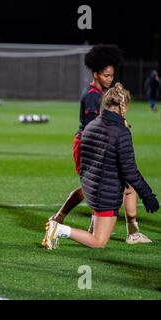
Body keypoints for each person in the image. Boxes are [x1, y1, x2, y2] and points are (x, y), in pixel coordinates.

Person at [46, 44, 151, 244]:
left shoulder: (103, 93)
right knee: (104, 186)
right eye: (105, 75)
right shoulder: (93, 96)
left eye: (111, 75)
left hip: (96, 144)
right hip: (89, 146)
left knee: (97, 187)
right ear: (95, 74)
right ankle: (131, 232)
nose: (109, 79)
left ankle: (65, 220)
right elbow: (93, 127)